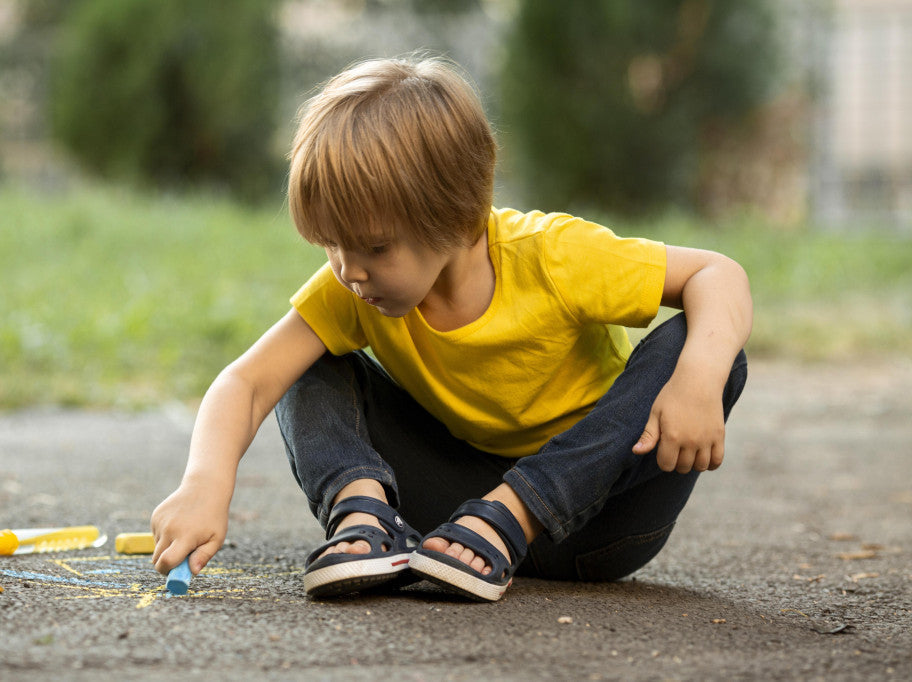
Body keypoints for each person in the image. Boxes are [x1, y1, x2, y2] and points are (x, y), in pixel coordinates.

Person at [150, 56, 751, 602]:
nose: (348, 269)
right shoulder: (353, 287)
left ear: (459, 216)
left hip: (598, 523)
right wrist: (205, 483)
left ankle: (514, 512)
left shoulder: (553, 256)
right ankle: (366, 520)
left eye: (375, 246)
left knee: (705, 349)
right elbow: (248, 382)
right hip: (455, 520)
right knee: (305, 359)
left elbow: (717, 274)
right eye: (330, 243)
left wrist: (698, 380)